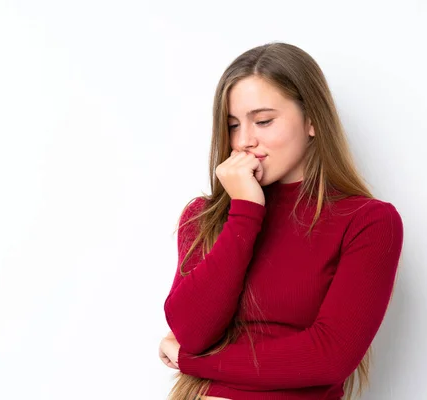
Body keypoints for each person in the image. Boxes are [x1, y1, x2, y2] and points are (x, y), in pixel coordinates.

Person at [159, 42, 404, 400]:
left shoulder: (367, 222)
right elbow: (192, 332)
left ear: (312, 121)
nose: (244, 141)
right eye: (231, 125)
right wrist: (244, 213)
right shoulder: (204, 217)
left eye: (263, 121)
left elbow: (328, 359)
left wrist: (192, 362)